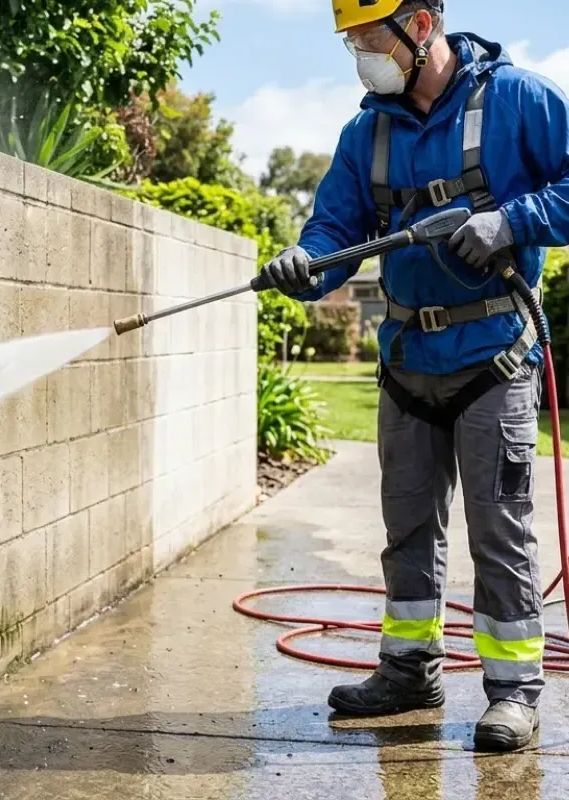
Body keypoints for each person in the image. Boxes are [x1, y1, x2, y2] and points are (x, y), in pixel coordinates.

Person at [259, 0, 569, 752]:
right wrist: (306, 264)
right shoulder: (365, 132)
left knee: (499, 533)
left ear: (420, 27)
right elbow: (334, 229)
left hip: (493, 360)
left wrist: (513, 221)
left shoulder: (518, 100)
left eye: (368, 37)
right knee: (406, 533)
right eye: (352, 41)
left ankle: (513, 693)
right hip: (406, 365)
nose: (360, 54)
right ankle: (407, 670)